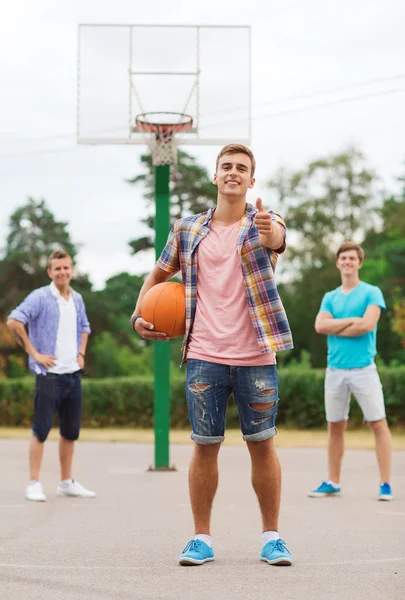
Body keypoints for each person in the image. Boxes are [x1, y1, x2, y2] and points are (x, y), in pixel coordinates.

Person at [131, 144, 294, 566]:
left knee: (262, 445)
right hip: (204, 354)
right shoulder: (187, 230)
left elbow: (277, 237)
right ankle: (201, 538)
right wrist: (138, 312)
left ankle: (272, 538)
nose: (233, 173)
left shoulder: (264, 221)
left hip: (257, 354)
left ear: (252, 180)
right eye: (227, 167)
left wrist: (268, 230)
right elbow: (159, 272)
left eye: (242, 168)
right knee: (205, 446)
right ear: (215, 176)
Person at [7, 250, 96, 502]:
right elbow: (14, 321)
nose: (62, 272)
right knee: (41, 430)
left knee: (70, 432)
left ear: (72, 270)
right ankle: (34, 483)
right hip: (49, 376)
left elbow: (85, 328)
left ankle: (66, 482)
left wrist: (81, 353)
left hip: (72, 375)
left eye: (66, 268)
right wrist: (34, 353)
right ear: (50, 272)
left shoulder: (77, 298)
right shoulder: (40, 297)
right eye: (57, 269)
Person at [308, 241, 393, 501]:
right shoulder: (330, 297)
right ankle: (333, 481)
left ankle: (385, 484)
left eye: (352, 258)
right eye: (343, 258)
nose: (347, 262)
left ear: (359, 263)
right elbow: (320, 327)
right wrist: (350, 321)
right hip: (335, 371)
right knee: (335, 426)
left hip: (364, 370)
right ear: (337, 263)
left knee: (378, 424)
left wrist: (337, 324)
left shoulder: (371, 292)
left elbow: (367, 325)